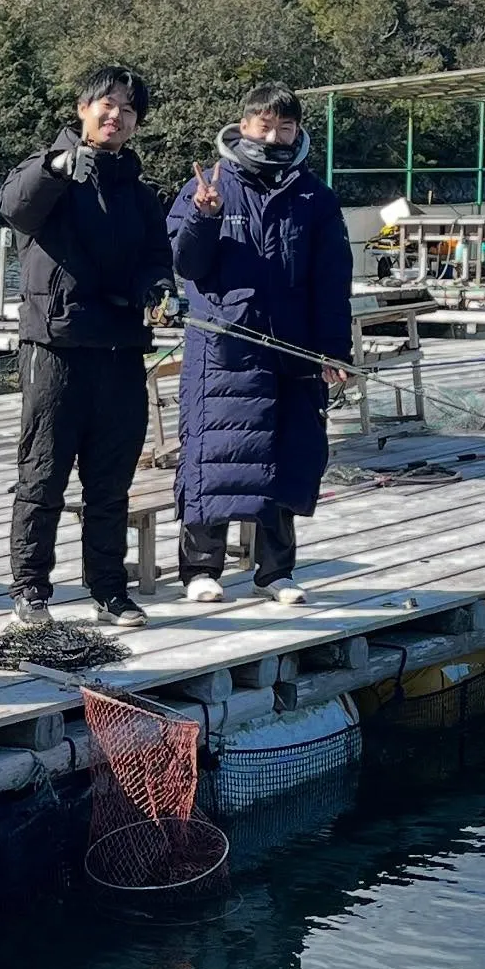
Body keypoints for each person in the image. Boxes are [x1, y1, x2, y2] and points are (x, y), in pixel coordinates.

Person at [0, 66, 176, 628]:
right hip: (55, 346)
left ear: (136, 124)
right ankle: (31, 589)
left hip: (122, 350)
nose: (114, 115)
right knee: (43, 473)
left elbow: (156, 256)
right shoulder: (47, 171)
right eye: (106, 104)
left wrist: (158, 288)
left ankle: (109, 589)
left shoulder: (143, 195)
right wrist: (55, 167)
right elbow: (14, 206)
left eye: (127, 109)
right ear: (82, 108)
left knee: (110, 480)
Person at [167, 82, 352, 606]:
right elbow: (185, 265)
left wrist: (333, 349)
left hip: (293, 350)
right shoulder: (207, 184)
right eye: (264, 125)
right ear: (244, 124)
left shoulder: (316, 196)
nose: (273, 136)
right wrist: (203, 216)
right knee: (213, 455)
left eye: (284, 127)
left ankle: (276, 572)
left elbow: (332, 279)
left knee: (286, 455)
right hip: (223, 349)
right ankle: (201, 569)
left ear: (297, 132)